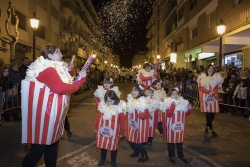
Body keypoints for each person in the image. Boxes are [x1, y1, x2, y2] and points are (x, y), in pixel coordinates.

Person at [21, 44, 87, 167]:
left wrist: (71, 71)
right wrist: (80, 81)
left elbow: (65, 78)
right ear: (49, 55)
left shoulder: (55, 68)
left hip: (53, 116)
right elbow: (61, 88)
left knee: (52, 147)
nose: (61, 54)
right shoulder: (47, 70)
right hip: (44, 118)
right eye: (58, 52)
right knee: (37, 151)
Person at [94, 90, 126, 167]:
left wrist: (121, 132)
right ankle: (103, 159)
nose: (108, 103)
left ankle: (113, 161)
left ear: (115, 99)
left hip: (114, 132)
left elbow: (121, 121)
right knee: (103, 146)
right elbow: (98, 118)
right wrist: (95, 127)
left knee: (113, 147)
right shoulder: (103, 107)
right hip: (103, 131)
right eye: (107, 101)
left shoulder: (119, 109)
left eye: (111, 101)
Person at [160, 88, 191, 164]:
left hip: (180, 127)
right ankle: (172, 156)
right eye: (173, 94)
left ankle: (181, 156)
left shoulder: (182, 102)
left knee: (179, 142)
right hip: (171, 127)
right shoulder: (167, 103)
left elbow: (186, 114)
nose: (175, 95)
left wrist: (189, 109)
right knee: (171, 143)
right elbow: (169, 114)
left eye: (176, 94)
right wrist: (173, 105)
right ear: (170, 96)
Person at [197, 64, 224, 137]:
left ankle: (206, 126)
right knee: (208, 114)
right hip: (205, 98)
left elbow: (215, 88)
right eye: (209, 68)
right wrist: (208, 92)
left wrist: (215, 94)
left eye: (212, 68)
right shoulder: (202, 77)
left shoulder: (216, 77)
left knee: (212, 115)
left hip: (213, 98)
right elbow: (200, 88)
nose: (211, 69)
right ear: (207, 69)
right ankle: (212, 129)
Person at [126, 84, 150, 163]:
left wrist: (140, 115)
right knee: (130, 140)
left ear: (140, 92)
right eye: (132, 90)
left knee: (137, 141)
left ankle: (144, 154)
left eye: (135, 90)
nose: (133, 92)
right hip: (131, 124)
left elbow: (147, 114)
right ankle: (136, 152)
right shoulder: (130, 100)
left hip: (140, 125)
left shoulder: (144, 101)